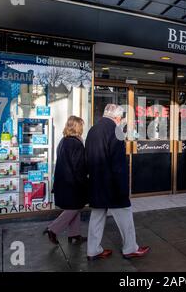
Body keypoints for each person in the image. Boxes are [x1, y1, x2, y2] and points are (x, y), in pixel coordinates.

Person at [85, 104, 150, 260]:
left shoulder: (93, 130)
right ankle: (130, 248)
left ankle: (92, 250)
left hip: (96, 182)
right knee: (125, 215)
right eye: (121, 118)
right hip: (112, 185)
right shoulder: (116, 131)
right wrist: (122, 188)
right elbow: (118, 164)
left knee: (97, 216)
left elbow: (87, 157)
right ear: (118, 117)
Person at [43, 116, 88, 245]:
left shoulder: (64, 141)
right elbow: (78, 166)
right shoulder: (75, 143)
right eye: (81, 125)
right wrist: (85, 181)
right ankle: (53, 229)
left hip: (64, 181)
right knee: (75, 207)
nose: (82, 128)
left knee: (75, 206)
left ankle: (75, 234)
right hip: (73, 183)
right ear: (76, 126)